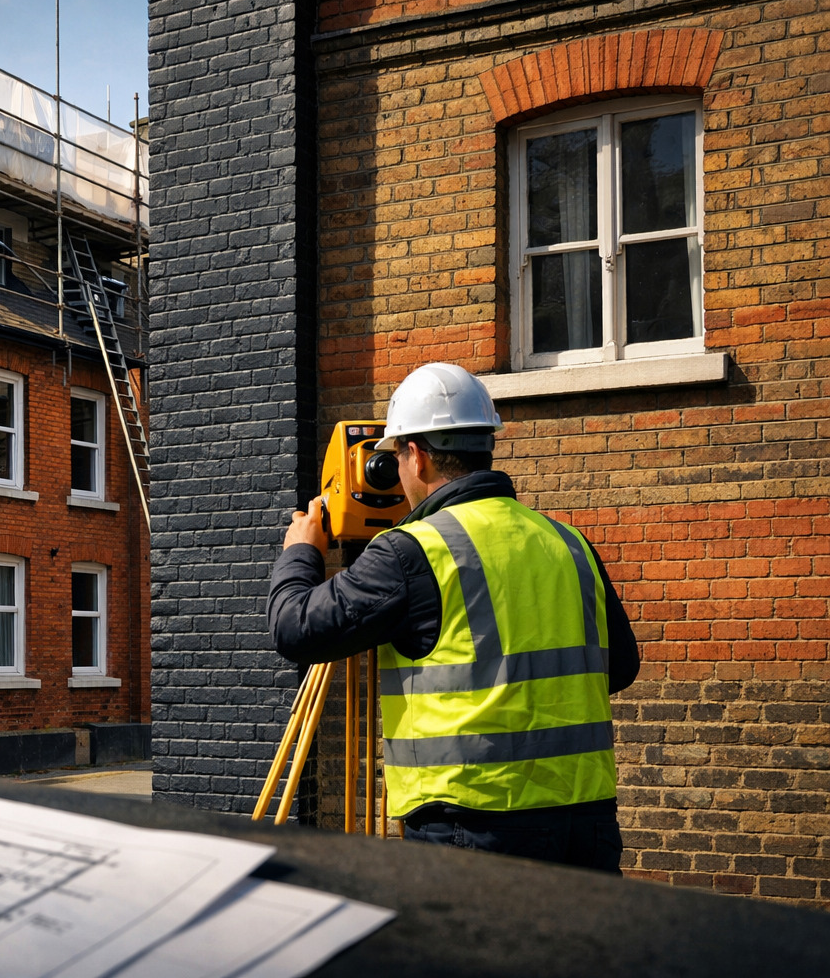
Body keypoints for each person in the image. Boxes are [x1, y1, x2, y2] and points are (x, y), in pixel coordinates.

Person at [268, 362, 638, 872]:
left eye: (395, 456)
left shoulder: (411, 552)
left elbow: (295, 628)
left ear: (416, 457)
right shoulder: (568, 542)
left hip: (474, 823)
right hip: (585, 820)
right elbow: (619, 668)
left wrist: (301, 551)